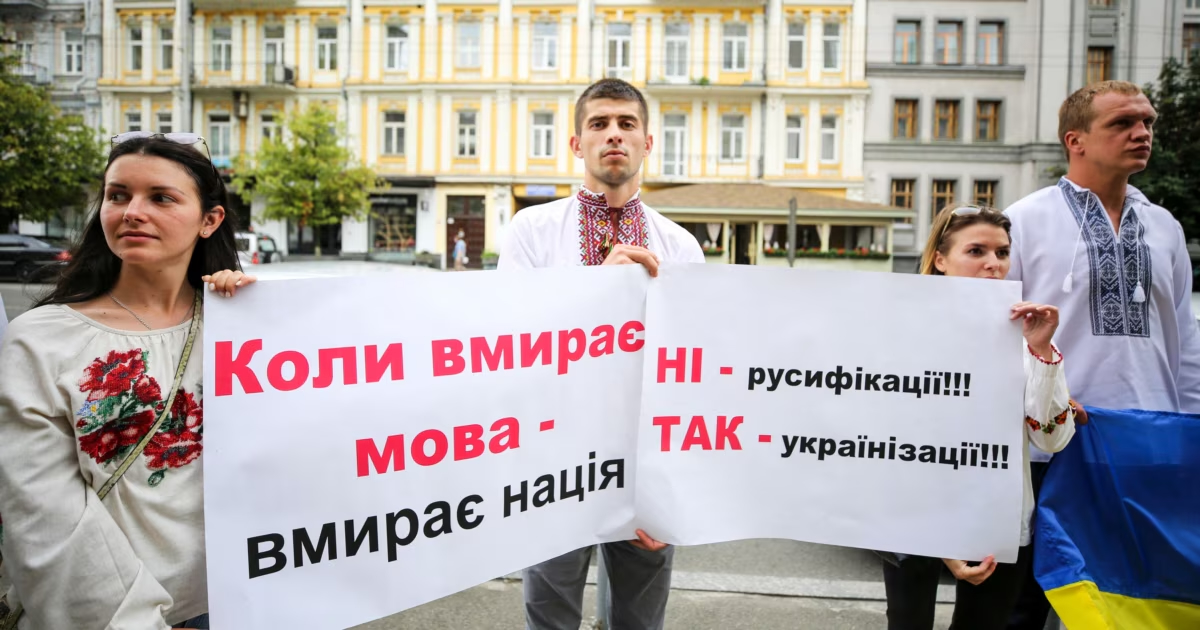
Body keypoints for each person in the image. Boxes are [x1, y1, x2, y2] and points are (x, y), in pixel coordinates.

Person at [0, 132, 252, 630]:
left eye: (161, 197)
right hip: (108, 617)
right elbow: (48, 521)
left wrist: (272, 318)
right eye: (118, 195)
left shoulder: (244, 330)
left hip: (237, 603)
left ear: (210, 220)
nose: (132, 211)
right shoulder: (41, 340)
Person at [498, 78, 703, 629]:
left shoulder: (680, 245)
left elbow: (692, 373)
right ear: (576, 143)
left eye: (627, 124)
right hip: (550, 462)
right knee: (550, 616)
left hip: (643, 472)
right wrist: (596, 292)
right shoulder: (532, 230)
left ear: (647, 142)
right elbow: (509, 345)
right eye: (599, 124)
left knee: (639, 621)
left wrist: (673, 492)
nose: (614, 135)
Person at [1003, 80, 1200, 630]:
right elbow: (999, 339)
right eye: (1122, 123)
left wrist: (1190, 431)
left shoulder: (1165, 227)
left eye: (1148, 122)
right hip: (1051, 446)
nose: (1142, 133)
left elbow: (1184, 340)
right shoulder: (1024, 220)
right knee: (1025, 607)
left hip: (1149, 443)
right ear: (1076, 140)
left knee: (1134, 602)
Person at [881, 204, 1077, 630]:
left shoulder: (1025, 335)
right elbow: (887, 441)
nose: (994, 264)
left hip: (998, 518)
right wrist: (941, 536)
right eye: (977, 251)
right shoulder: (899, 333)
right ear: (940, 259)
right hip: (910, 514)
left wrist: (1043, 353)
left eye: (1002, 252)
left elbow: (1052, 439)